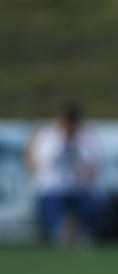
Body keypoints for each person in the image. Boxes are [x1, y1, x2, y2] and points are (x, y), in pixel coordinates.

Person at [26, 103, 100, 245]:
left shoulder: (86, 137)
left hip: (77, 187)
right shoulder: (47, 135)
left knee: (91, 202)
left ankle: (81, 232)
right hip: (51, 186)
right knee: (51, 200)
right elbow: (35, 162)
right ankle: (58, 232)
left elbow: (91, 167)